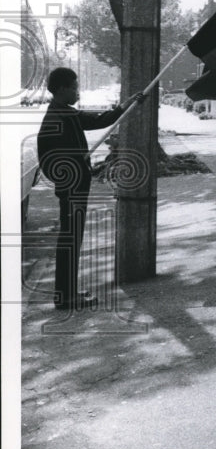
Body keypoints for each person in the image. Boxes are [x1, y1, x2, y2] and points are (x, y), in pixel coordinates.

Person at [36, 68, 144, 310]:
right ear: (62, 88)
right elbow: (48, 160)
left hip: (75, 189)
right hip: (71, 190)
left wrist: (123, 107)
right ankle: (65, 297)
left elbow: (97, 120)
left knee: (73, 240)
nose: (77, 91)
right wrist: (74, 168)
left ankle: (68, 290)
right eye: (74, 87)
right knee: (70, 240)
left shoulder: (66, 113)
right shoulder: (55, 118)